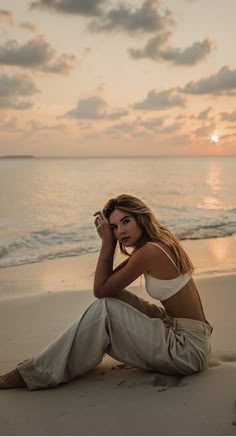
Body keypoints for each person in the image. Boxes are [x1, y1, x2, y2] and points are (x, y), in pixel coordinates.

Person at [0, 194, 212, 390]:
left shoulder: (149, 251)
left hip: (188, 350)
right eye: (113, 227)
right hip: (186, 334)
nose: (120, 231)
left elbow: (99, 289)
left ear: (141, 218)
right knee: (113, 297)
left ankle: (36, 372)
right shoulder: (158, 241)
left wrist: (107, 244)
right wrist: (109, 240)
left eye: (126, 221)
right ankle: (60, 360)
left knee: (106, 308)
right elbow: (109, 287)